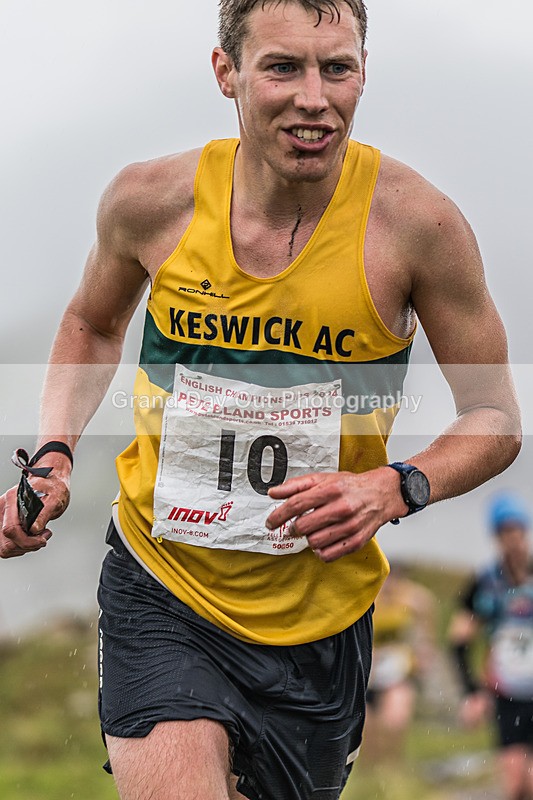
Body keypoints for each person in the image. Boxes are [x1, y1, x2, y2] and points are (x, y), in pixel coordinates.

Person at [0, 1, 521, 798]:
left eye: (335, 68)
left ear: (361, 75)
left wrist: (394, 487)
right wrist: (55, 452)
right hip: (161, 582)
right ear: (227, 73)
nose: (313, 96)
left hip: (318, 619)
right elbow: (91, 321)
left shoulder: (417, 226)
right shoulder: (151, 201)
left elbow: (494, 419)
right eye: (282, 67)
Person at [448, 493, 533, 800]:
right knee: (513, 786)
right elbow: (458, 640)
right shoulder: (486, 582)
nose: (512, 539)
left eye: (517, 530)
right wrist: (471, 691)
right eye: (504, 532)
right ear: (496, 537)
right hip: (507, 693)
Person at [361, 563, 436, 765]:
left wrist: (424, 653)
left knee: (394, 722)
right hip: (369, 672)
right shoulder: (366, 597)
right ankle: (372, 772)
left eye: (397, 577)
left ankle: (391, 767)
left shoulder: (412, 598)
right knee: (366, 728)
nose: (390, 584)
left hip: (399, 671)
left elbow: (426, 618)